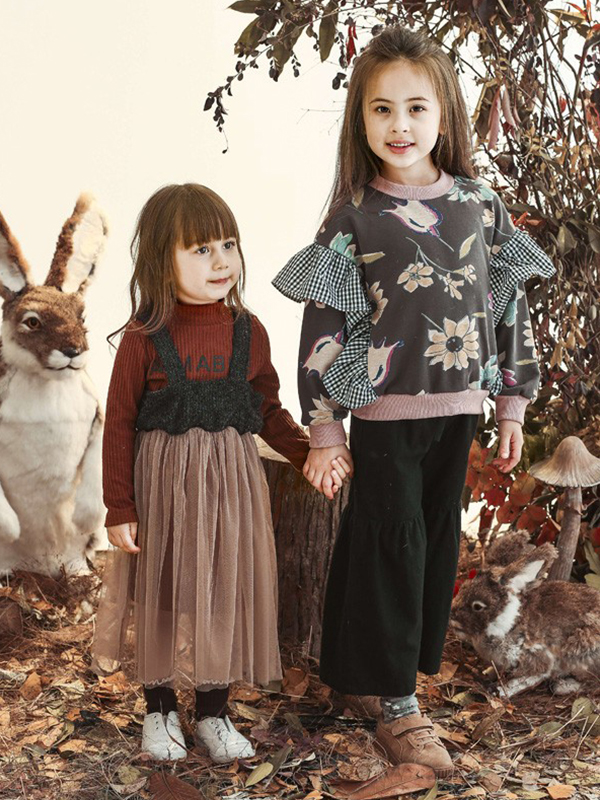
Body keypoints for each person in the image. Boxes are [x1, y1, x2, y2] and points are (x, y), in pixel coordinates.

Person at [273, 25, 555, 777]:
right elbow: (325, 327)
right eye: (381, 109)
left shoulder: (480, 206)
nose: (399, 125)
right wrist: (325, 428)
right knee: (390, 546)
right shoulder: (355, 215)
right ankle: (398, 705)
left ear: (444, 113)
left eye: (416, 108)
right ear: (360, 120)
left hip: (459, 411)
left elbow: (508, 311)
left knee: (427, 547)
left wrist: (511, 405)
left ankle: (360, 675)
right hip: (386, 414)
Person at [91, 184, 347, 763]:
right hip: (163, 491)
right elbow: (120, 424)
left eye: (228, 245)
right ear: (162, 261)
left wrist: (309, 452)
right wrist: (119, 506)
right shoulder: (143, 338)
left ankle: (212, 710)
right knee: (161, 594)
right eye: (202, 249)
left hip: (231, 491)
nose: (221, 261)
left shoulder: (247, 330)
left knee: (222, 593)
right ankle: (159, 709)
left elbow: (267, 409)